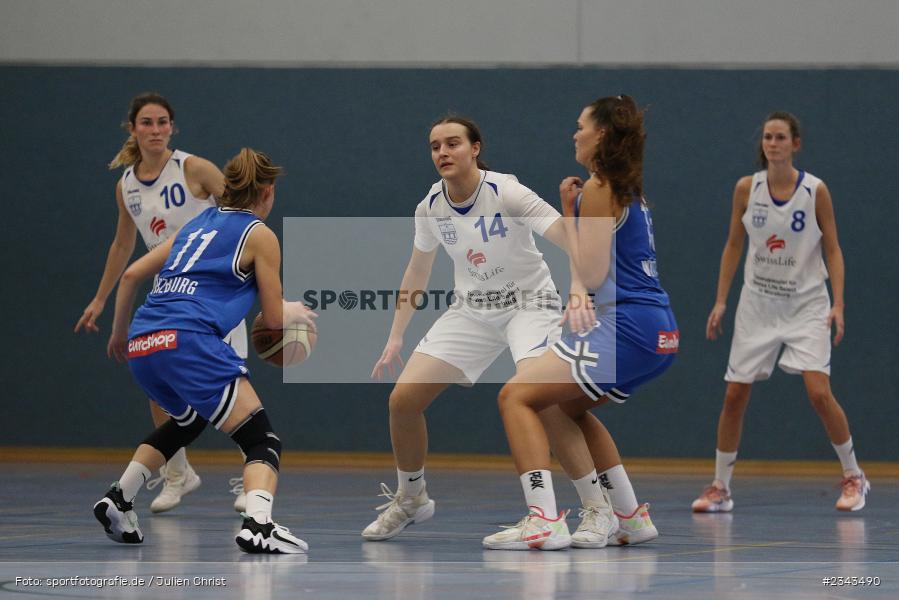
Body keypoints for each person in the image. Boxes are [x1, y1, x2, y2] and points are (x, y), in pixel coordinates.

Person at [364, 115, 643, 547]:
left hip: (529, 305)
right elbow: (417, 272)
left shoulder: (505, 191)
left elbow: (573, 236)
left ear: (475, 148)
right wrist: (396, 335)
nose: (443, 152)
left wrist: (575, 290)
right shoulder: (431, 206)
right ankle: (412, 498)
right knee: (403, 400)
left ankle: (597, 510)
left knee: (544, 402)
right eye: (435, 146)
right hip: (472, 311)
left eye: (453, 143)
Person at [95, 148, 316, 553]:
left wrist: (121, 333)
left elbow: (131, 273)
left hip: (144, 339)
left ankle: (119, 497)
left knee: (185, 422)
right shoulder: (260, 234)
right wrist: (293, 314)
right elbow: (273, 317)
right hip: (188, 338)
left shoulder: (195, 225)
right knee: (261, 439)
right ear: (267, 192)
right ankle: (259, 525)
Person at [482, 95, 678, 550]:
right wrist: (572, 209)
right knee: (564, 407)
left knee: (515, 397)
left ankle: (544, 520)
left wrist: (572, 210)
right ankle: (628, 515)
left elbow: (589, 273)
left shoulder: (599, 186)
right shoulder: (628, 187)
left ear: (602, 134)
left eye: (581, 126)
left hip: (625, 325)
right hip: (658, 330)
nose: (575, 133)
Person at [74, 92, 247, 513]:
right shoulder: (127, 186)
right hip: (168, 293)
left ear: (172, 128)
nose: (155, 130)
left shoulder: (194, 168)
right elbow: (122, 244)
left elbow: (241, 212)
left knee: (235, 382)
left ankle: (250, 471)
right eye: (147, 123)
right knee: (159, 385)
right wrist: (100, 299)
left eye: (163, 122)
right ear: (132, 129)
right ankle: (178, 473)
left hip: (212, 288)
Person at [691, 111, 868, 513]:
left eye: (781, 137)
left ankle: (854, 476)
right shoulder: (745, 189)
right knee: (735, 394)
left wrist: (838, 303)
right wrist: (721, 300)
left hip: (807, 304)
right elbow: (734, 245)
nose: (773, 143)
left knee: (819, 393)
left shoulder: (815, 190)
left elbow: (833, 249)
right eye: (768, 137)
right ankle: (721, 487)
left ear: (796, 144)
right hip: (758, 305)